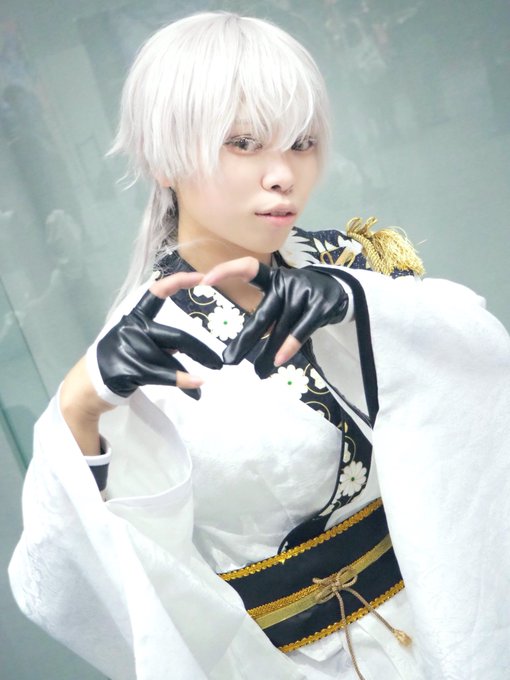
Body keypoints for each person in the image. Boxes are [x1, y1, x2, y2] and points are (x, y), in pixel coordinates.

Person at [8, 11, 510, 680]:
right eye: (243, 143)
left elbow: (482, 385)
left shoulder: (352, 268)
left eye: (302, 142)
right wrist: (76, 413)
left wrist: (368, 308)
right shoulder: (139, 350)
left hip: (447, 612)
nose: (283, 175)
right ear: (162, 157)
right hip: (294, 662)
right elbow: (71, 579)